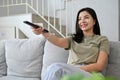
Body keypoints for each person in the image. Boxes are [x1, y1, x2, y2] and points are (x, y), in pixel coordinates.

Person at [32, 7, 110, 80]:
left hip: (91, 75)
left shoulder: (102, 40)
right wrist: (42, 32)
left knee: (56, 68)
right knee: (53, 68)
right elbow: (58, 41)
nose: (82, 21)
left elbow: (100, 66)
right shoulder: (73, 39)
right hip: (71, 71)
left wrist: (73, 69)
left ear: (94, 21)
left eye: (86, 17)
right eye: (79, 19)